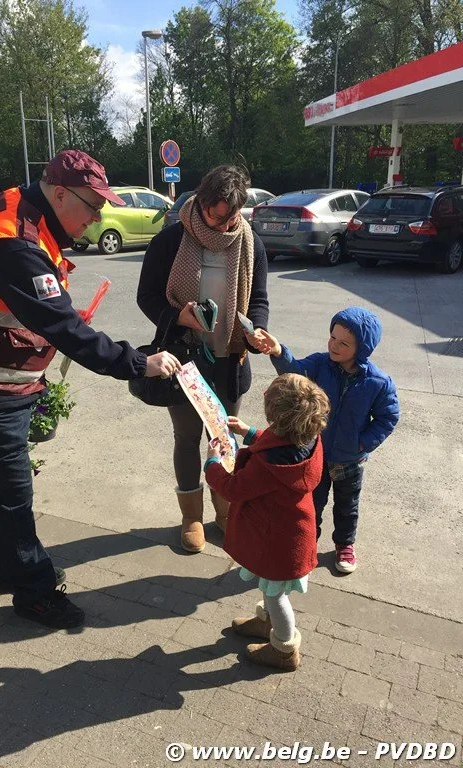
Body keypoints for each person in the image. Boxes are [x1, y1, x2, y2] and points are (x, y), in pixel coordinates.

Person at [0, 149, 180, 629]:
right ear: (58, 193)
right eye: (91, 207)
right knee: (12, 494)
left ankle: (7, 570)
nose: (98, 217)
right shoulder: (13, 244)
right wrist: (139, 362)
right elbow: (64, 328)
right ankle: (35, 593)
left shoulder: (22, 212)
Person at [137, 165, 269, 554]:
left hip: (231, 359)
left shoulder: (249, 241)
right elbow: (147, 296)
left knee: (224, 437)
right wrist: (179, 316)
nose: (227, 223)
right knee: (188, 437)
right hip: (183, 359)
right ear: (201, 202)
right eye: (218, 214)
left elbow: (258, 298)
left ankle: (225, 512)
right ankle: (190, 516)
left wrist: (257, 329)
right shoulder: (171, 240)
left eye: (234, 215)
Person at [250, 306, 399, 574]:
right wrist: (278, 352)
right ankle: (307, 544)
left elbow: (388, 418)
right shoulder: (320, 364)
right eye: (332, 337)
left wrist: (362, 443)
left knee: (347, 506)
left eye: (344, 343)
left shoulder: (378, 382)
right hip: (314, 454)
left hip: (350, 459)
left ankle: (344, 544)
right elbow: (294, 372)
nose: (334, 345)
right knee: (310, 504)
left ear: (363, 348)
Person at [204, 373, 330, 671]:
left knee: (277, 597)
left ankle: (284, 649)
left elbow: (233, 488)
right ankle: (266, 624)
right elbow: (280, 443)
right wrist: (249, 433)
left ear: (276, 415)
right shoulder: (308, 439)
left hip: (277, 543)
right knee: (271, 588)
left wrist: (212, 463)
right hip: (286, 535)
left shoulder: (268, 465)